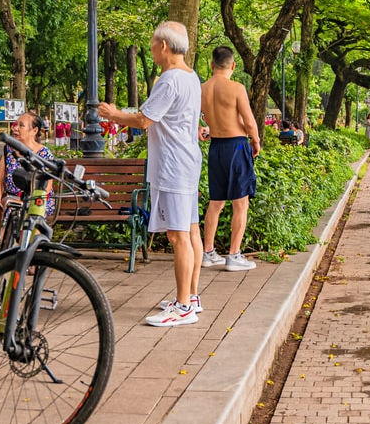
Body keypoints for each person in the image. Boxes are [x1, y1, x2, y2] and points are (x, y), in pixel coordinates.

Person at [100, 21, 202, 327]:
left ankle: (183, 306)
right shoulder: (191, 76)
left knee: (177, 235)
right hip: (187, 162)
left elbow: (145, 121)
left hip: (173, 166)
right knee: (191, 230)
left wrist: (112, 114)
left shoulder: (170, 80)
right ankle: (191, 298)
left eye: (153, 43)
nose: (151, 48)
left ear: (165, 46)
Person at [199, 46, 261, 272]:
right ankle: (234, 255)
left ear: (212, 64)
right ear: (233, 65)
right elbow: (250, 121)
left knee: (216, 202)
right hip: (236, 146)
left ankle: (208, 252)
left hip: (216, 147)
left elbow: (189, 115)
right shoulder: (236, 88)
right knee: (240, 203)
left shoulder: (202, 89)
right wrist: (255, 140)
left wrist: (200, 128)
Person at [0, 112, 55, 217]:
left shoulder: (44, 153)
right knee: (7, 213)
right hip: (12, 200)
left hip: (37, 200)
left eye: (21, 125)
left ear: (34, 131)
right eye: (16, 124)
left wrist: (25, 202)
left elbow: (47, 188)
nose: (15, 128)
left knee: (26, 215)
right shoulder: (9, 149)